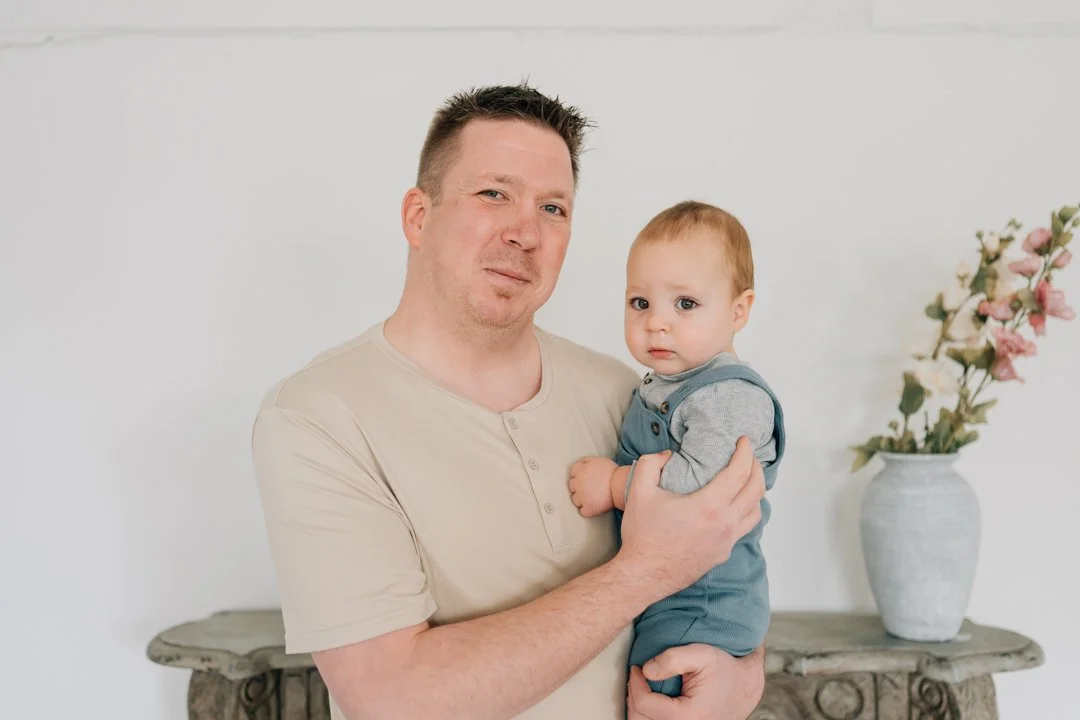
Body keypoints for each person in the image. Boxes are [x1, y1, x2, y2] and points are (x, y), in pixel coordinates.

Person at [250, 82, 769, 720]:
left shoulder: (630, 393)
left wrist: (744, 676)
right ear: (419, 215)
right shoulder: (317, 417)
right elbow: (391, 698)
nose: (525, 232)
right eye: (493, 194)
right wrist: (646, 569)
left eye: (554, 208)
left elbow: (730, 548)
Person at [568, 201, 786, 698]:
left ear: (739, 310)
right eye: (640, 303)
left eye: (685, 304)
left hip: (704, 604)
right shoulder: (662, 385)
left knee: (660, 685)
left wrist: (614, 484)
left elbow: (703, 485)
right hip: (669, 591)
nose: (656, 323)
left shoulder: (729, 395)